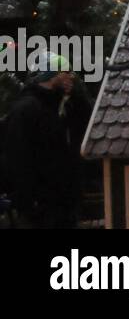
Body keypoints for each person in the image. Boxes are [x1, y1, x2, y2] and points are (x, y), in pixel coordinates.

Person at [2, 51, 91, 229]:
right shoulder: (27, 110)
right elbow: (17, 156)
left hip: (64, 201)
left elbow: (86, 124)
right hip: (40, 205)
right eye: (66, 72)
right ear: (52, 75)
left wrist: (76, 97)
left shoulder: (63, 105)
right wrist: (28, 199)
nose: (70, 76)